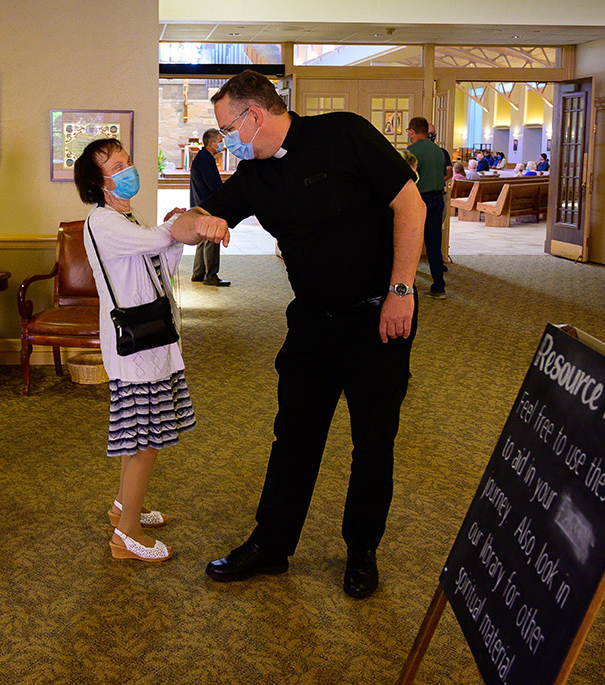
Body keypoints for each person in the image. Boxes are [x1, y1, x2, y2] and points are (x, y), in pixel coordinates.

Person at [172, 69, 424, 599]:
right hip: (311, 321)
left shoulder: (344, 133)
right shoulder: (257, 175)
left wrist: (402, 290)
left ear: (254, 115)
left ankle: (362, 550)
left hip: (379, 316)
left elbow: (410, 205)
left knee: (372, 442)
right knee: (294, 436)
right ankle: (272, 544)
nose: (225, 139)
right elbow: (185, 222)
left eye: (227, 127)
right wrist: (198, 222)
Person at [73, 137, 197, 562]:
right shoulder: (104, 221)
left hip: (152, 340)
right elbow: (152, 242)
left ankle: (123, 508)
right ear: (97, 181)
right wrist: (179, 227)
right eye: (117, 165)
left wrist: (173, 236)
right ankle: (124, 537)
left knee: (138, 437)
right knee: (145, 442)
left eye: (128, 161)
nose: (128, 169)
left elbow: (159, 265)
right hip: (137, 350)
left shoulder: (127, 217)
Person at [408, 116, 448, 299]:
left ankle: (408, 285)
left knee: (411, 244)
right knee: (434, 246)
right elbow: (444, 174)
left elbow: (408, 179)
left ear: (412, 132)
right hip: (438, 200)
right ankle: (439, 286)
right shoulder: (439, 151)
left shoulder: (411, 151)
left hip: (419, 201)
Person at [190, 128, 230, 286]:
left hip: (200, 203)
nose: (222, 145)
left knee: (202, 238)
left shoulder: (201, 157)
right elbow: (214, 185)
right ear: (212, 143)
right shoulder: (206, 160)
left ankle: (199, 272)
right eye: (220, 142)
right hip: (208, 204)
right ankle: (211, 275)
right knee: (212, 239)